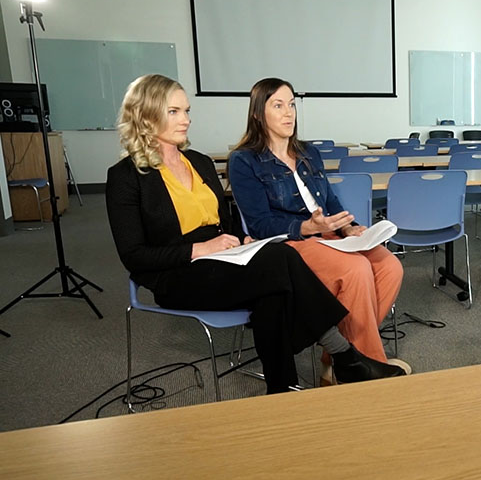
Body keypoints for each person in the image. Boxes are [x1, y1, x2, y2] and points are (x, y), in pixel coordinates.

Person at [106, 74, 404, 394]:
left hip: (223, 255)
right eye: (174, 112)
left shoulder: (199, 162)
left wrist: (241, 239)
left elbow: (226, 219)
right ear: (145, 115)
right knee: (280, 260)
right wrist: (200, 249)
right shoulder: (125, 177)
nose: (187, 120)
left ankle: (283, 389)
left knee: (273, 287)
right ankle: (345, 356)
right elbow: (133, 256)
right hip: (177, 270)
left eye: (187, 111)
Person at [228, 78, 408, 383]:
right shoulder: (244, 160)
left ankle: (335, 360)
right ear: (258, 113)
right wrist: (306, 226)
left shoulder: (309, 152)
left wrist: (349, 227)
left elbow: (331, 200)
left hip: (328, 236)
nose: (289, 113)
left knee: (390, 267)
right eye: (278, 105)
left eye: (292, 105)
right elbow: (259, 225)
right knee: (356, 270)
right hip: (288, 242)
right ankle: (367, 367)